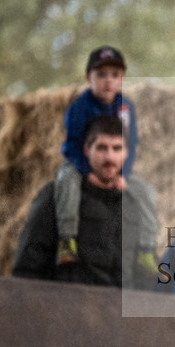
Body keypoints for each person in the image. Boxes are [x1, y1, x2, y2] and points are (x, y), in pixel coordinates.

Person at [13, 115, 158, 289]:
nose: (109, 157)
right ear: (86, 149)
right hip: (68, 308)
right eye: (102, 148)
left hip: (117, 311)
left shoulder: (135, 204)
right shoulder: (57, 196)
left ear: (126, 153)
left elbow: (144, 274)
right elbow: (27, 266)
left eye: (117, 148)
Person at [55, 45, 157, 268]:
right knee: (66, 182)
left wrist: (124, 174)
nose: (108, 81)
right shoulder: (80, 107)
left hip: (115, 167)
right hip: (80, 163)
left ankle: (146, 249)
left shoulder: (126, 107)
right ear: (88, 77)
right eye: (101, 75)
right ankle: (67, 239)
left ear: (122, 78)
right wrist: (87, 172)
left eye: (115, 75)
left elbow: (131, 143)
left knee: (147, 192)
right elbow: (72, 145)